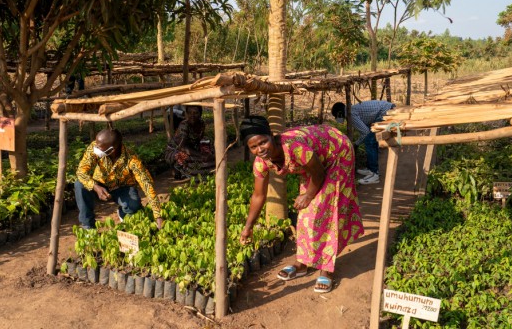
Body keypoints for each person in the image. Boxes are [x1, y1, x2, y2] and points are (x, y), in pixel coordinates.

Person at [239, 116, 364, 293]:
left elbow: (319, 173)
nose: (260, 149)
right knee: (306, 212)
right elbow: (259, 195)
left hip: (337, 151)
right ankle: (303, 264)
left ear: (271, 136)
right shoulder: (260, 163)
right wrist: (248, 227)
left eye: (263, 142)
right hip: (315, 160)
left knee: (326, 209)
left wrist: (308, 194)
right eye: (253, 147)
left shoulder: (294, 147)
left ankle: (326, 269)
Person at [75, 128, 163, 229]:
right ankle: (88, 226)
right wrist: (95, 186)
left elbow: (147, 184)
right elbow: (81, 172)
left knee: (133, 205)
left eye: (99, 147)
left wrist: (158, 215)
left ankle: (124, 215)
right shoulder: (95, 147)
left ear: (112, 150)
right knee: (79, 185)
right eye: (96, 144)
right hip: (100, 185)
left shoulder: (132, 160)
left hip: (122, 187)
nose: (95, 147)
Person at [331, 100, 395, 185]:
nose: (337, 119)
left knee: (369, 141)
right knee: (371, 139)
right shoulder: (351, 111)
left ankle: (374, 174)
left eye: (336, 116)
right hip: (386, 109)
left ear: (339, 113)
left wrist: (356, 144)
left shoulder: (351, 115)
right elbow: (366, 128)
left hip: (386, 112)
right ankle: (370, 169)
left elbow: (365, 132)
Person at [165, 105, 215, 180]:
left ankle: (197, 170)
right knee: (185, 157)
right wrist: (200, 155)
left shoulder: (201, 123)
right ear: (187, 113)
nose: (192, 115)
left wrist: (207, 152)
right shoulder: (184, 125)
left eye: (195, 113)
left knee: (210, 157)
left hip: (191, 148)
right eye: (190, 113)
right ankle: (178, 169)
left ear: (200, 114)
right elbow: (182, 147)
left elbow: (200, 141)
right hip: (176, 150)